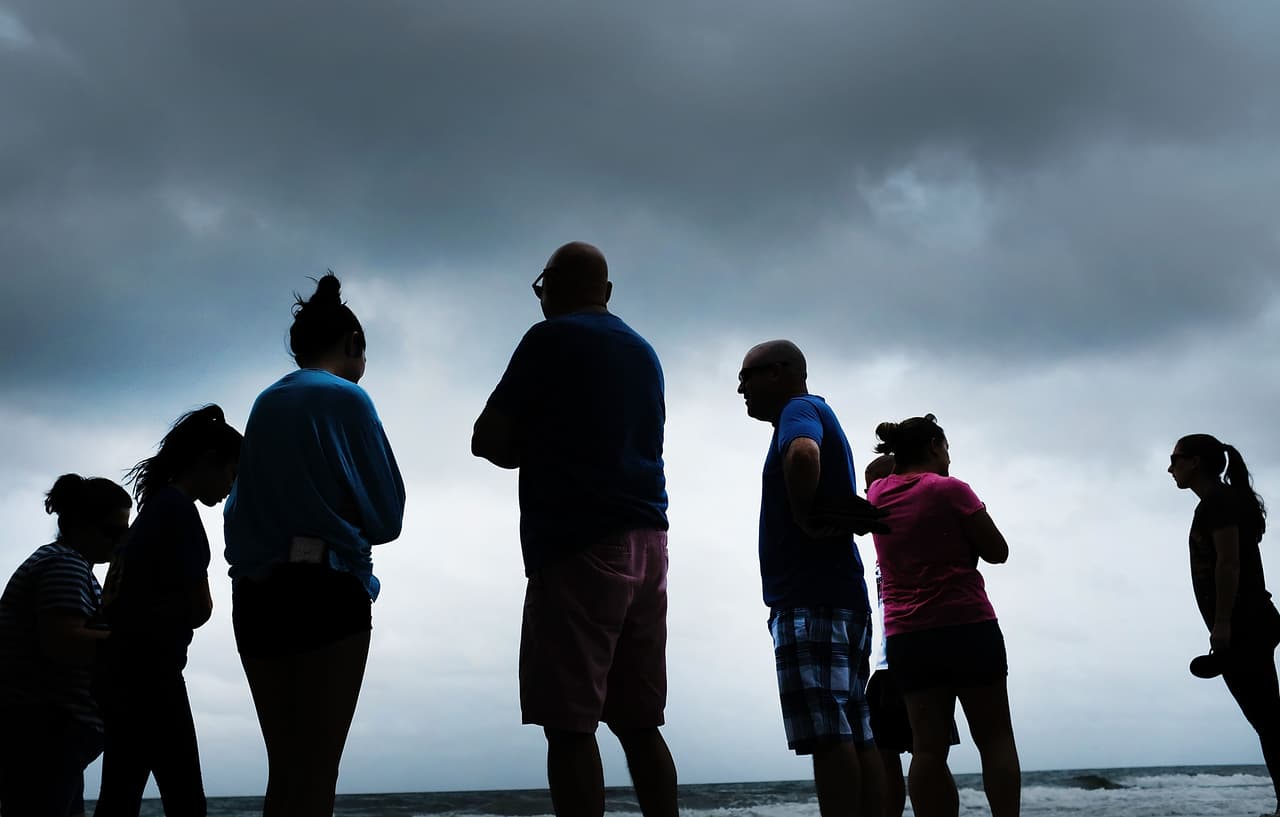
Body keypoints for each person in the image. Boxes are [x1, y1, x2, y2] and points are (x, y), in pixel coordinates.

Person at [472, 241, 677, 817]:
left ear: (550, 287)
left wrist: (538, 443)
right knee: (638, 724)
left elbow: (487, 438)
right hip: (650, 545)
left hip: (578, 543)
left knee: (568, 725)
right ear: (606, 293)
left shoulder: (550, 339)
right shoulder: (645, 352)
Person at [224, 273, 406, 817]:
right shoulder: (349, 399)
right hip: (328, 592)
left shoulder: (264, 404)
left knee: (284, 767)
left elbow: (238, 512)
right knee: (319, 767)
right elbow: (387, 515)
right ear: (354, 345)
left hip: (256, 597)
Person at [736, 339, 885, 817]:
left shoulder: (798, 411)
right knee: (857, 729)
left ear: (780, 373)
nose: (740, 387)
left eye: (748, 375)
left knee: (828, 733)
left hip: (808, 599)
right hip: (843, 595)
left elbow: (802, 455)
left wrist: (801, 514)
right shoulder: (818, 411)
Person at [94, 405, 243, 817]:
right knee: (186, 800)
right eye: (232, 473)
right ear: (209, 461)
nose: (231, 486)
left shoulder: (151, 512)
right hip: (154, 677)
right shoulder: (180, 513)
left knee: (119, 796)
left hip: (121, 674)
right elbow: (200, 609)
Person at [867, 414, 1019, 817]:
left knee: (927, 748)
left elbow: (877, 480)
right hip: (967, 626)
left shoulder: (878, 495)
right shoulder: (951, 490)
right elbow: (998, 551)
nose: (949, 457)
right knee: (995, 739)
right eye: (946, 447)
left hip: (909, 637)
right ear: (935, 445)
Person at [0, 474, 132, 817]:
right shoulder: (65, 565)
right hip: (45, 733)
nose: (121, 541)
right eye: (113, 531)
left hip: (48, 733)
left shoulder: (68, 565)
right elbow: (64, 642)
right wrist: (133, 644)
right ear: (82, 526)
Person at [1169, 434, 1280, 816]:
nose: (1170, 468)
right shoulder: (1223, 502)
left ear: (1195, 462)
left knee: (1268, 719)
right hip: (1251, 623)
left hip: (1244, 625)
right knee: (1268, 718)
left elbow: (1228, 563)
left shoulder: (1217, 503)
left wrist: (1222, 624)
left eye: (1175, 459)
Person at [862, 454, 960, 817]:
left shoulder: (917, 527)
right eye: (868, 487)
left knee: (927, 757)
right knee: (908, 757)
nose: (871, 493)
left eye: (875, 484)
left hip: (912, 657)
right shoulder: (881, 538)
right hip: (890, 664)